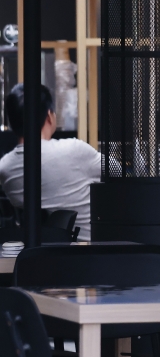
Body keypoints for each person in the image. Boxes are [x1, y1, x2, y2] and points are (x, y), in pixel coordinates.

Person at [0, 83, 101, 240]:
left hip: (33, 253)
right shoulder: (75, 150)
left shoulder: (5, 168)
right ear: (49, 116)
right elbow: (119, 172)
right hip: (85, 251)